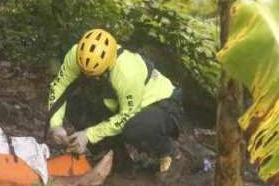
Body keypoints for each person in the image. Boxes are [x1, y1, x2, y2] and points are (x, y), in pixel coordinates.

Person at [47, 28, 184, 172]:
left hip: (159, 104)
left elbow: (127, 115)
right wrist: (55, 124)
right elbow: (59, 87)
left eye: (94, 74)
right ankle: (113, 158)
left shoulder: (126, 72)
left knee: (135, 127)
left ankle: (170, 153)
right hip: (117, 103)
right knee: (75, 104)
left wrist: (88, 135)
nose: (88, 77)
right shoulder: (76, 55)